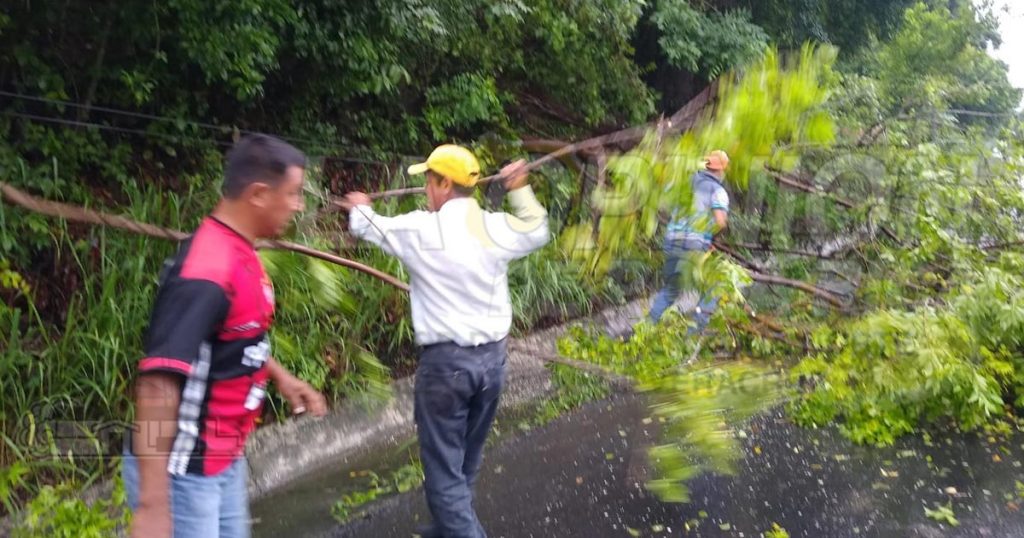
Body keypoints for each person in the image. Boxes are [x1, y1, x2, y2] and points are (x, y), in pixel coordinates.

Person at [124, 134, 328, 538]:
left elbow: (235, 337)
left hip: (223, 457)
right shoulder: (206, 270)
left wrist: (281, 377)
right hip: (184, 468)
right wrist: (152, 504)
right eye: (293, 194)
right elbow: (157, 383)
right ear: (257, 194)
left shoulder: (241, 251)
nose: (298, 205)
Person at [342, 145, 549, 538]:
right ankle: (447, 529)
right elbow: (537, 229)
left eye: (427, 181)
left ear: (444, 183)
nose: (424, 190)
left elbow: (367, 225)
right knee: (466, 462)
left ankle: (459, 529)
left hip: (446, 370)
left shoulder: (421, 229)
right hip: (492, 365)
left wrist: (359, 204)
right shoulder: (495, 226)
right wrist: (520, 188)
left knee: (442, 477)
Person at [647, 150, 731, 330]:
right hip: (694, 245)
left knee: (670, 290)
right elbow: (720, 222)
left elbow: (665, 203)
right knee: (713, 288)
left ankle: (643, 331)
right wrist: (709, 237)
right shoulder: (718, 190)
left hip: (672, 241)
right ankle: (693, 336)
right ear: (720, 170)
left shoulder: (684, 183)